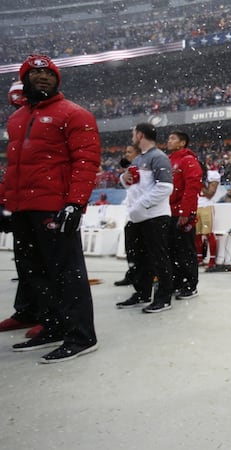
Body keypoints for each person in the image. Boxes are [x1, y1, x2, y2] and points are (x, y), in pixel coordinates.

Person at [0, 54, 101, 362]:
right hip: (23, 208)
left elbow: (85, 162)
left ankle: (82, 335)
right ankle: (54, 326)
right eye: (35, 73)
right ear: (25, 79)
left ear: (57, 80)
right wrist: (6, 203)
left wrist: (75, 204)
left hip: (53, 207)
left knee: (67, 273)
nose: (42, 78)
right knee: (34, 273)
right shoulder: (17, 119)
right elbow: (15, 167)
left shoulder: (74, 114)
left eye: (48, 74)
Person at [117, 123, 175, 313]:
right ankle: (142, 292)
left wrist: (140, 206)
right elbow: (135, 186)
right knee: (138, 257)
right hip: (138, 217)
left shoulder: (158, 157)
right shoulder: (138, 159)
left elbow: (165, 188)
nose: (132, 137)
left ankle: (163, 297)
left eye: (134, 134)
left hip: (154, 216)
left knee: (158, 258)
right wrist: (124, 179)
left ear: (140, 135)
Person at [0, 78, 40, 338]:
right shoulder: (17, 124)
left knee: (42, 263)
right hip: (21, 202)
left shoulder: (43, 121)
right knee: (25, 261)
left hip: (40, 201)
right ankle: (27, 310)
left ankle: (50, 314)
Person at [165, 130, 203, 299]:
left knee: (185, 250)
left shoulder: (188, 160)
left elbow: (192, 187)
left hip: (182, 212)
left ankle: (190, 284)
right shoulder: (168, 161)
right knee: (173, 250)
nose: (168, 141)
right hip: (168, 212)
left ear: (182, 143)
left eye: (173, 138)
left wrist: (185, 212)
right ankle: (177, 281)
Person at [114, 145, 143, 287]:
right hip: (132, 214)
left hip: (144, 214)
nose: (126, 154)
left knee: (142, 250)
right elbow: (129, 186)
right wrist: (123, 176)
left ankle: (143, 278)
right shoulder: (130, 169)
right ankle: (132, 273)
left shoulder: (146, 167)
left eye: (129, 152)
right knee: (131, 248)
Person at [196, 163, 221, 271]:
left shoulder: (211, 175)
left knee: (209, 234)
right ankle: (199, 258)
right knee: (196, 235)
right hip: (195, 206)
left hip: (207, 206)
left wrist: (200, 183)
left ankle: (212, 260)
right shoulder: (193, 175)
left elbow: (210, 194)